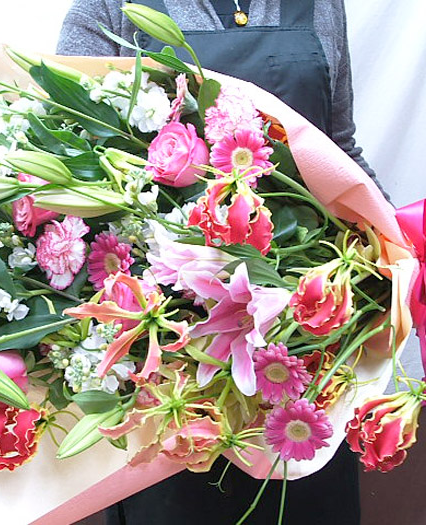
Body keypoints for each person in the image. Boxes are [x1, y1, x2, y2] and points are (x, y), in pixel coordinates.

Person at [57, 1, 378, 522]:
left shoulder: (322, 4)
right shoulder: (110, 7)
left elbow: (340, 149)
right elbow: (78, 154)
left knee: (304, 497)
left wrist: (405, 249)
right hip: (174, 346)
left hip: (308, 328)